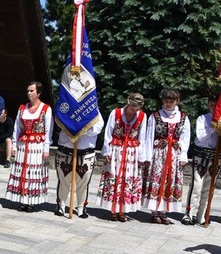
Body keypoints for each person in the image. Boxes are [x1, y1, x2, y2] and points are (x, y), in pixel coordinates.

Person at [97, 93, 149, 222]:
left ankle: (123, 210)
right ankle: (112, 209)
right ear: (128, 103)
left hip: (132, 151)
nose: (134, 110)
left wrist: (141, 156)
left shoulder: (142, 116)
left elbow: (142, 137)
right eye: (132, 108)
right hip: (116, 149)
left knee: (128, 180)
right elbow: (108, 132)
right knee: (115, 176)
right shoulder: (116, 113)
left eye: (137, 108)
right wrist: (107, 151)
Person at [142, 88, 191, 224]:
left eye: (171, 101)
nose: (168, 103)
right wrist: (148, 156)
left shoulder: (183, 117)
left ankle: (164, 212)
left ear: (177, 101)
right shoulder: (156, 116)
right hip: (159, 153)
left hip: (174, 154)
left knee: (171, 181)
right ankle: (154, 212)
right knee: (157, 179)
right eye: (166, 100)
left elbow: (185, 137)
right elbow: (149, 136)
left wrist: (183, 155)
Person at [5, 81, 52, 212]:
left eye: (32, 91)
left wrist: (46, 148)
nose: (29, 93)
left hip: (37, 146)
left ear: (39, 93)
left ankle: (32, 201)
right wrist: (14, 145)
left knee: (33, 172)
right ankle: (22, 199)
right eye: (28, 91)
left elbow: (48, 130)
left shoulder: (46, 109)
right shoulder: (22, 109)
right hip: (23, 145)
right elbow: (17, 128)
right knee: (23, 172)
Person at [53, 111, 104, 218]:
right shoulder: (68, 106)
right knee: (64, 181)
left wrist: (83, 129)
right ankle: (61, 205)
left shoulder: (94, 110)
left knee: (83, 183)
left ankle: (81, 207)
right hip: (66, 150)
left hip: (86, 152)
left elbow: (98, 128)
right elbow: (58, 121)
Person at [183, 96, 218, 225]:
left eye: (216, 105)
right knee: (196, 185)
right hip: (201, 154)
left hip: (214, 157)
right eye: (211, 104)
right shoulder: (203, 118)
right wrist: (213, 127)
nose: (213, 107)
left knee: (208, 188)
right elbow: (201, 137)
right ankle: (188, 213)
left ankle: (202, 215)